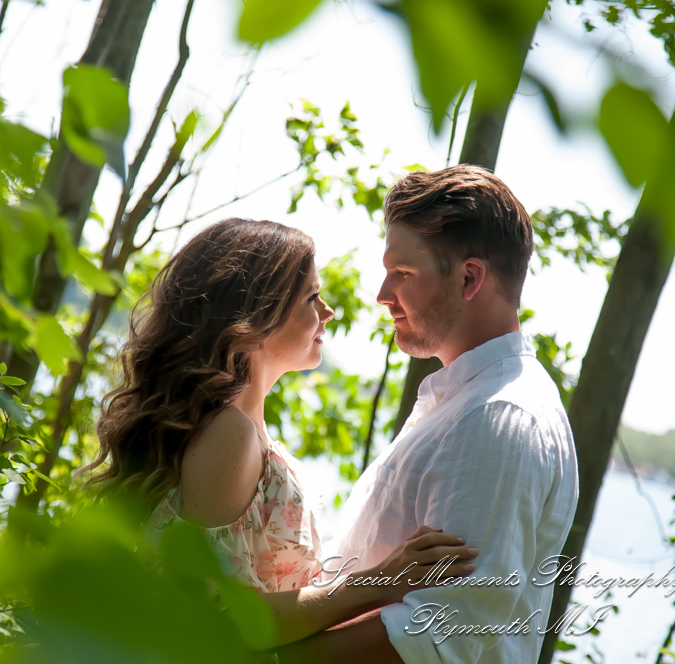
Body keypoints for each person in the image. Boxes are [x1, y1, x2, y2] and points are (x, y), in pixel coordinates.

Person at [85, 217, 479, 649]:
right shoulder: (228, 432)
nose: (328, 312)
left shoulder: (238, 428)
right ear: (255, 313)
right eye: (311, 296)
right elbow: (214, 619)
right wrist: (379, 582)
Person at [278, 165, 579, 663]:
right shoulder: (463, 402)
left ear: (469, 278)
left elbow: (437, 635)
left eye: (403, 274)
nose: (382, 295)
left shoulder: (496, 418)